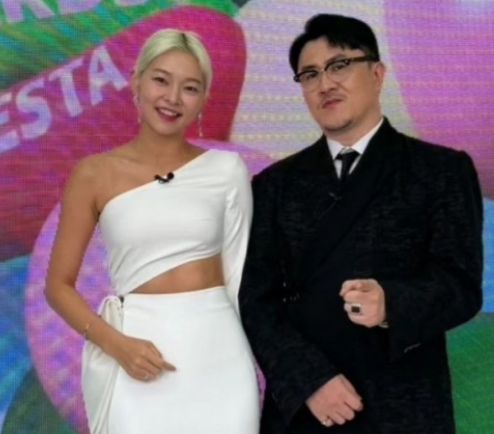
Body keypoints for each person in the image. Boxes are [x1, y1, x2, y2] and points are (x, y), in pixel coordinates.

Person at [239, 13, 483, 434]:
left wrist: (391, 303)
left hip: (402, 405)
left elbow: (460, 286)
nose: (325, 84)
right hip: (306, 410)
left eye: (339, 65)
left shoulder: (441, 170)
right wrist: (308, 380)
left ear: (377, 73)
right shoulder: (274, 185)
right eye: (310, 74)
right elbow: (255, 300)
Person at [45, 29, 260, 434]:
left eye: (190, 88)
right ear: (137, 82)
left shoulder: (226, 170)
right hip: (137, 354)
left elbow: (240, 276)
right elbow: (58, 286)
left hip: (220, 357)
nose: (173, 97)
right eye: (161, 80)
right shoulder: (93, 174)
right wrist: (116, 344)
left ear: (203, 100)